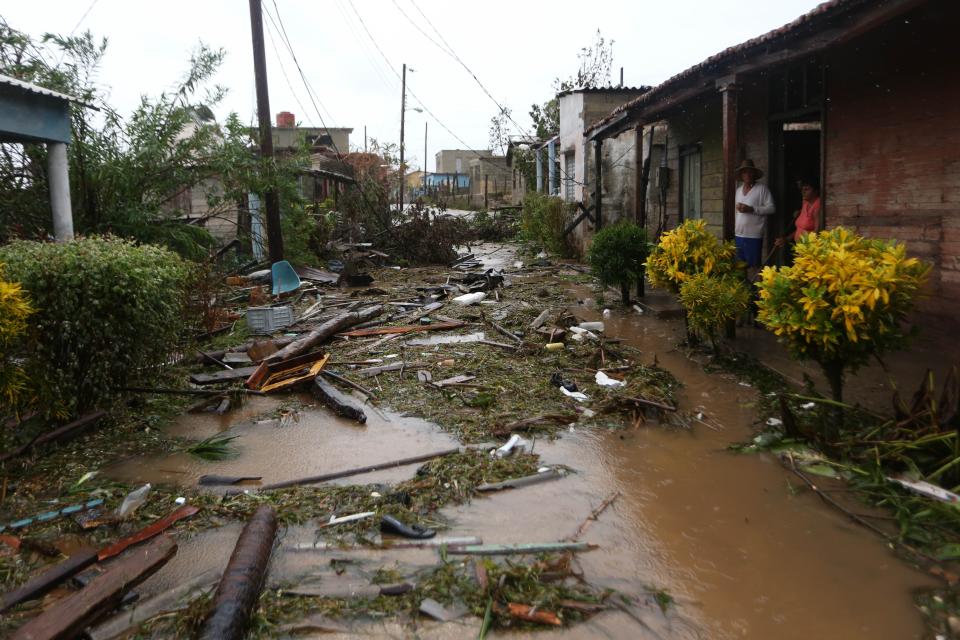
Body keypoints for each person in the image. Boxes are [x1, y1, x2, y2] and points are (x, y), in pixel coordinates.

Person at [733, 159, 775, 272]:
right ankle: (743, 288)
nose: (747, 174)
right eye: (745, 172)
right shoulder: (738, 191)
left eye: (750, 172)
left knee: (755, 266)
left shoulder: (762, 189)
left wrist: (752, 209)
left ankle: (757, 289)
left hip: (753, 235)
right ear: (741, 175)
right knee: (740, 266)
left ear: (755, 174)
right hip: (738, 234)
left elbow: (771, 209)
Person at [775, 177, 820, 253]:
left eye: (806, 189)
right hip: (800, 248)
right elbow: (800, 229)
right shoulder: (805, 202)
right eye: (802, 190)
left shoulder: (818, 206)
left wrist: (808, 249)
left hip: (809, 250)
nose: (803, 192)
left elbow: (817, 232)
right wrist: (786, 239)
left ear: (816, 191)